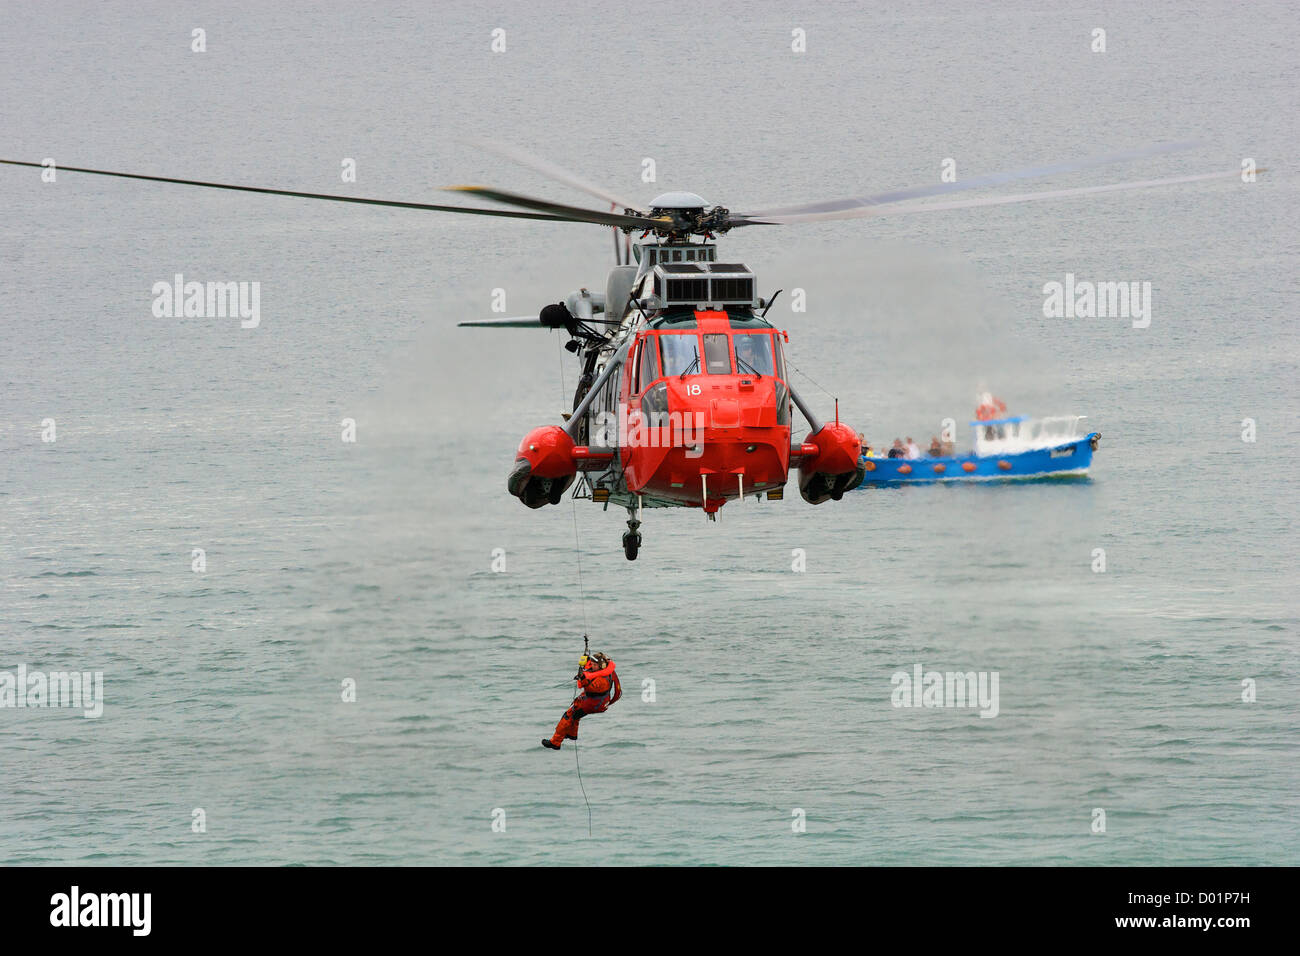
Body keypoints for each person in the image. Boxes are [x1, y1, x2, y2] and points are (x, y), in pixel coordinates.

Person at [542, 651, 621, 750]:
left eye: (595, 665)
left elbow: (589, 687)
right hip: (597, 701)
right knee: (575, 715)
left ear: (602, 665)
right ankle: (571, 734)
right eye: (592, 664)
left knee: (568, 716)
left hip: (593, 704)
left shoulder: (602, 680)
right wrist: (586, 658)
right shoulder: (608, 671)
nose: (592, 666)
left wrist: (582, 678)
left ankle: (555, 742)